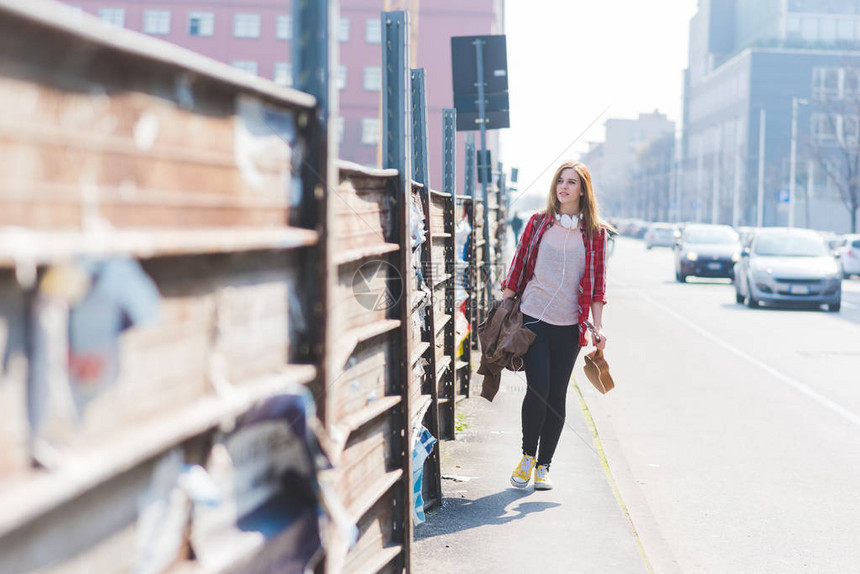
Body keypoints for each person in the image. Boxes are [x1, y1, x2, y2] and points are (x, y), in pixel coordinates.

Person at [499, 161, 611, 490]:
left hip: (570, 325)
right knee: (538, 389)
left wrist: (598, 326)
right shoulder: (537, 223)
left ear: (582, 190)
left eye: (571, 182)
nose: (563, 187)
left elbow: (597, 283)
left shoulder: (596, 234)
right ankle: (526, 457)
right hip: (534, 319)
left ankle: (544, 466)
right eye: (560, 181)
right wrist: (504, 308)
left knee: (557, 395)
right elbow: (519, 266)